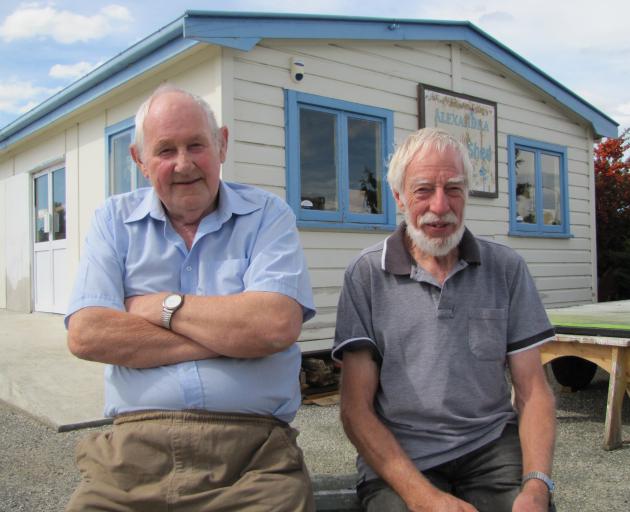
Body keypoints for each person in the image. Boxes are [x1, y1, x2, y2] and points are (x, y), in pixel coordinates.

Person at [65, 84, 316, 512]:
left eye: (196, 145)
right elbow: (88, 335)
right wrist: (235, 336)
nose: (184, 164)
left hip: (253, 459)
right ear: (140, 161)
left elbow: (275, 325)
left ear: (221, 145)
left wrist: (160, 307)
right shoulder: (113, 220)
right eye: (165, 150)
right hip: (132, 457)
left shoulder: (267, 215)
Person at [333, 128, 556, 512]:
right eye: (423, 190)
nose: (441, 206)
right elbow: (355, 409)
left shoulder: (506, 267)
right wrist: (425, 498)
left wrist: (537, 486)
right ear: (400, 197)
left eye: (454, 188)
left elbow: (534, 390)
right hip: (401, 449)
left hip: (490, 444)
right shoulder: (366, 275)